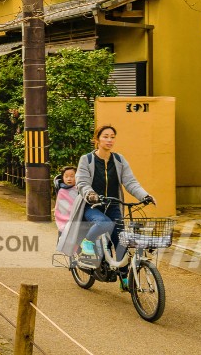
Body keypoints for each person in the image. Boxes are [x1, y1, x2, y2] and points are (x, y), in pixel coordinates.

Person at [75, 124, 156, 290]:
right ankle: (86, 243)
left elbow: (130, 182)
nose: (109, 140)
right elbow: (81, 182)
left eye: (112, 137)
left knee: (121, 241)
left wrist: (145, 196)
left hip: (113, 206)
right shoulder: (87, 159)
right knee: (104, 223)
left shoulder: (119, 160)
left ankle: (124, 279)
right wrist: (90, 194)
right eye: (105, 136)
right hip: (92, 206)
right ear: (97, 139)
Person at [53, 165, 78, 237]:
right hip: (66, 216)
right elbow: (61, 206)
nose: (69, 179)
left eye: (72, 176)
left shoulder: (80, 188)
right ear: (63, 178)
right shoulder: (62, 191)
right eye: (66, 176)